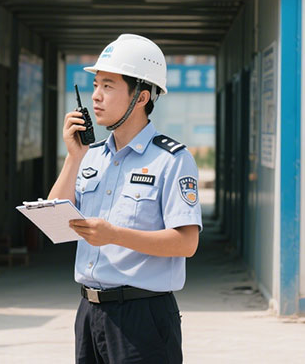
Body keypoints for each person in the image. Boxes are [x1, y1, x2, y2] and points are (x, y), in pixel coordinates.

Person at [48, 33, 202, 364]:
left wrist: (115, 236)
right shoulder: (91, 156)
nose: (95, 97)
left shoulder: (171, 160)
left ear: (142, 96)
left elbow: (186, 243)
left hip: (143, 317)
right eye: (95, 86)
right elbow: (55, 225)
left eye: (108, 86)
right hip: (89, 314)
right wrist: (73, 158)